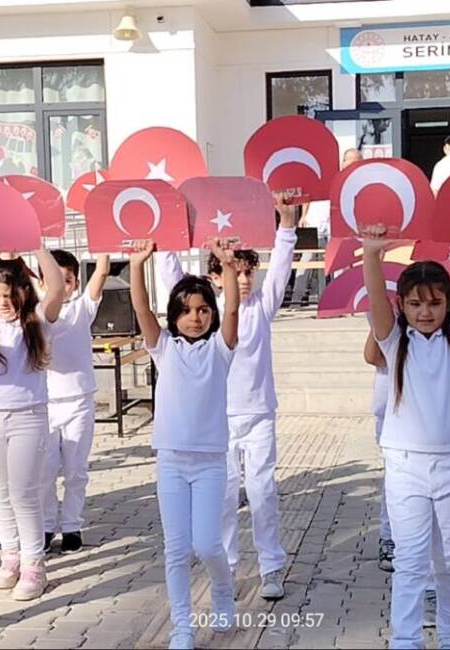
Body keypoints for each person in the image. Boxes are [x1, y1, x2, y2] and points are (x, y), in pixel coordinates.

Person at [157, 195, 297, 600]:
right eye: (236, 271)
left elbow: (282, 269)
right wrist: (168, 229)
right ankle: (229, 566)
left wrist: (286, 223)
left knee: (262, 492)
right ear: (216, 276)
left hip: (258, 414)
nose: (245, 279)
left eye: (250, 271)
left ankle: (271, 567)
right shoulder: (207, 314)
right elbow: (173, 278)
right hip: (218, 423)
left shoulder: (261, 306)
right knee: (222, 497)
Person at [363, 224, 450, 649]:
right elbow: (378, 308)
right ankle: (406, 639)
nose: (425, 311)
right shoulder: (394, 342)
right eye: (416, 303)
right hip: (404, 466)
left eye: (435, 303)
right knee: (410, 560)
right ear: (402, 305)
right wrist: (372, 255)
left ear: (448, 303)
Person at [131, 237, 239, 650]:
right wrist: (137, 264)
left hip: (211, 462)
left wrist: (228, 266)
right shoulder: (164, 348)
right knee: (176, 549)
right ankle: (182, 627)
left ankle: (223, 589)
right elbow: (141, 308)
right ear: (174, 316)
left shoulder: (220, 349)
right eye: (186, 311)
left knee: (208, 544)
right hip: (172, 462)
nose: (195, 318)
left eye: (202, 310)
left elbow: (233, 308)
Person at [0, 251, 65, 601]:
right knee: (0, 491)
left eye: (10, 296)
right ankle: (10, 557)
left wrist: (36, 244)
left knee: (24, 493)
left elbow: (56, 286)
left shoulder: (38, 320)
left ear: (24, 293)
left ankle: (34, 564)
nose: (3, 303)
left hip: (29, 417)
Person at [41, 250, 110, 554]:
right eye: (57, 280)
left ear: (75, 282)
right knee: (43, 471)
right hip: (44, 405)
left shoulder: (83, 308)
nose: (64, 286)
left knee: (75, 470)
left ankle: (71, 526)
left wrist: (104, 239)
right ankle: (44, 526)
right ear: (44, 281)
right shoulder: (36, 313)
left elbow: (103, 272)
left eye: (69, 280)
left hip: (79, 402)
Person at [292, 148, 363, 305]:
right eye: (351, 162)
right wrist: (303, 215)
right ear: (343, 162)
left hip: (337, 226)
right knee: (307, 259)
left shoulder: (357, 180)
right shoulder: (330, 174)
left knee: (339, 261)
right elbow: (308, 194)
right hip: (315, 220)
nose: (353, 165)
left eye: (357, 162)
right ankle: (296, 300)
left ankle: (340, 299)